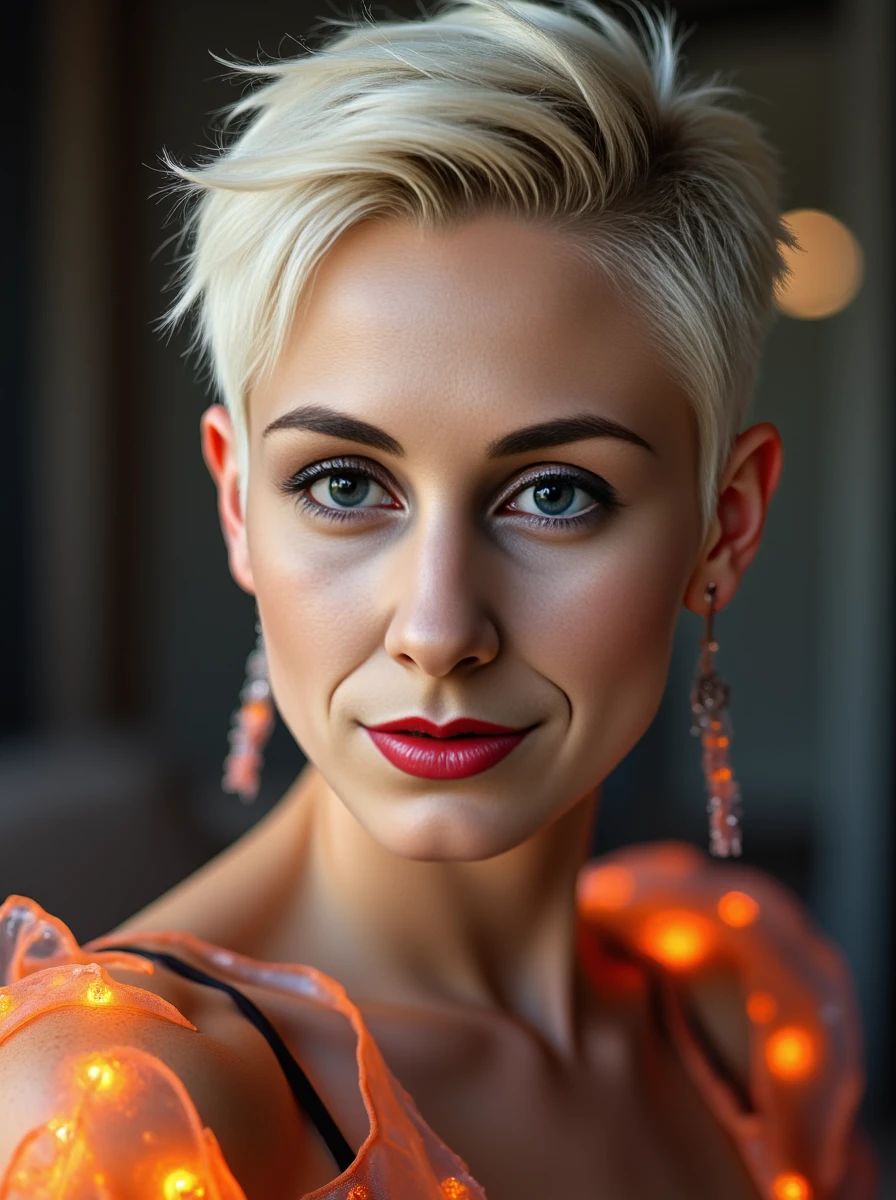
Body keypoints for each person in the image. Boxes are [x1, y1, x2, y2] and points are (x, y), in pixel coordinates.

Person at [0, 1, 878, 1197]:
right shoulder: (136, 1109)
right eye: (345, 483)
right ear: (238, 507)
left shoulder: (730, 1003)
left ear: (723, 526)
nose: (437, 628)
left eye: (556, 495)